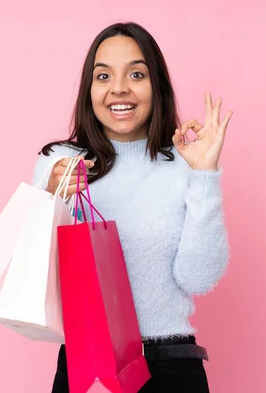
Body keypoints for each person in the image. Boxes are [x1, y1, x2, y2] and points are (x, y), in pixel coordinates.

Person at [31, 22, 232, 393]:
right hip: (89, 362)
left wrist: (204, 175)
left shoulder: (186, 163)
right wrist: (51, 194)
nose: (119, 88)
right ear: (89, 90)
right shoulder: (61, 162)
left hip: (173, 369)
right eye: (103, 75)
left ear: (157, 87)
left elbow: (199, 278)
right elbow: (34, 265)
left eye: (136, 74)